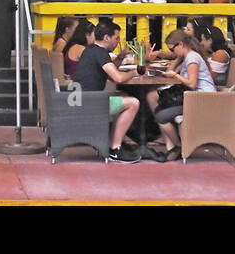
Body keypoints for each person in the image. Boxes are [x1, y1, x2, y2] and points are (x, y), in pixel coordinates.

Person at [73, 20, 142, 163]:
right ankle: (115, 149)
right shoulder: (101, 53)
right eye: (116, 38)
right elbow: (118, 78)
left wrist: (121, 56)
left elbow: (110, 70)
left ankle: (113, 141)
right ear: (106, 38)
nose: (118, 42)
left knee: (124, 97)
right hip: (91, 103)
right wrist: (134, 72)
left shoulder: (91, 50)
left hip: (83, 98)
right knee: (134, 103)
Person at [146, 29, 215, 161]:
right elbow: (169, 71)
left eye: (172, 49)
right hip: (193, 97)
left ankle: (178, 146)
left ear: (181, 45)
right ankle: (173, 146)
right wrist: (177, 58)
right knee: (157, 102)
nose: (172, 52)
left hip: (201, 100)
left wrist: (176, 75)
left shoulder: (192, 59)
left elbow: (192, 84)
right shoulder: (188, 57)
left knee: (161, 115)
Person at [192, 20, 231, 86]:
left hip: (214, 86)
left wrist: (202, 57)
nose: (201, 43)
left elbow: (210, 77)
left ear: (210, 40)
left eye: (203, 40)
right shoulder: (212, 53)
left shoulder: (220, 54)